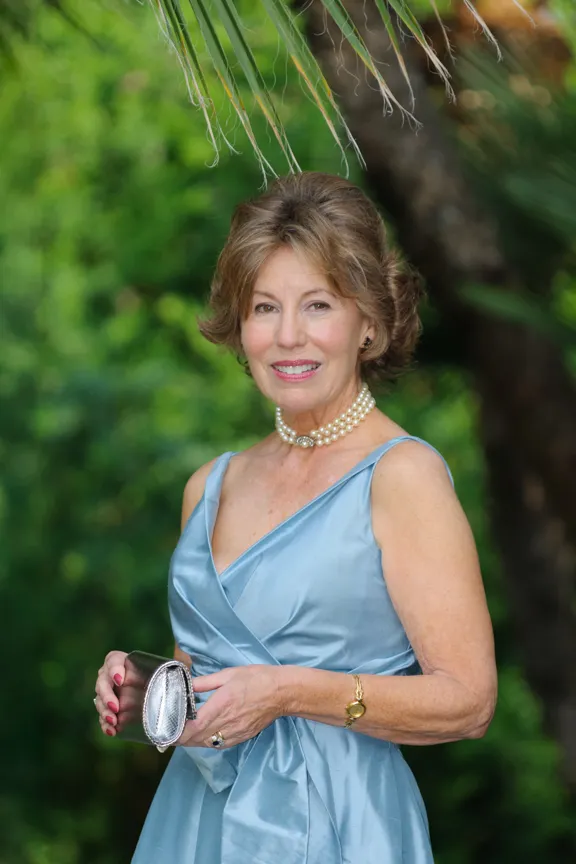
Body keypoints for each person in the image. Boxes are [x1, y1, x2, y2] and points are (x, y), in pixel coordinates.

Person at [94, 171, 497, 863]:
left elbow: (469, 701)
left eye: (317, 305)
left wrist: (288, 692)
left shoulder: (403, 476)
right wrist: (147, 690)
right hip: (196, 822)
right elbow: (208, 695)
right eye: (264, 308)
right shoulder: (209, 487)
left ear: (369, 323)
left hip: (341, 823)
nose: (288, 337)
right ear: (240, 327)